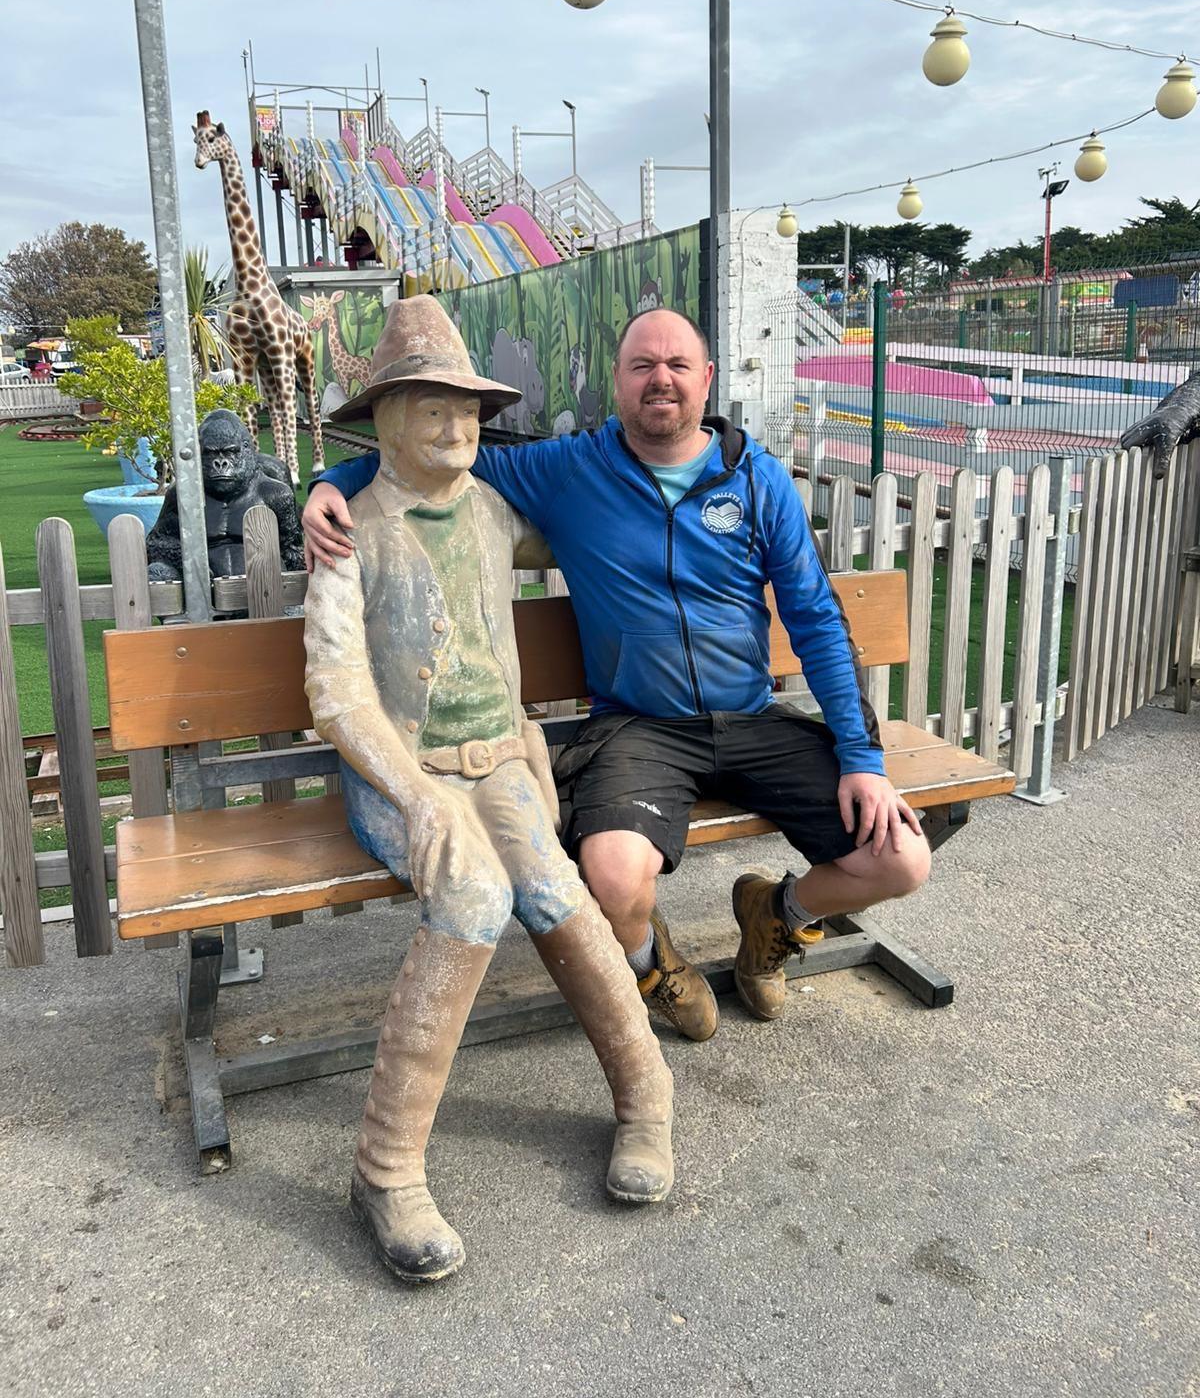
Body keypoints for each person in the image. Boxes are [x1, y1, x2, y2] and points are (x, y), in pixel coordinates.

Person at [305, 306, 930, 1044]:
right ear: (618, 382)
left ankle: (776, 917)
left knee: (899, 858)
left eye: (675, 365)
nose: (659, 379)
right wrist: (331, 481)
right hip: (639, 728)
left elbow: (818, 621)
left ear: (705, 379)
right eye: (642, 366)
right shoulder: (569, 469)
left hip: (751, 718)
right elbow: (430, 456)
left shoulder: (758, 481)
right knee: (609, 874)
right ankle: (654, 966)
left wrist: (861, 760)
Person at [304, 296, 672, 1286]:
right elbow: (336, 689)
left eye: (468, 412)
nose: (459, 429)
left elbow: (600, 536)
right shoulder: (352, 534)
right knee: (473, 893)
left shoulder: (496, 510)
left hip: (502, 760)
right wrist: (417, 798)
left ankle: (647, 1095)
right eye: (434, 412)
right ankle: (384, 1170)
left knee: (554, 889)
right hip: (404, 774)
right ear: (387, 424)